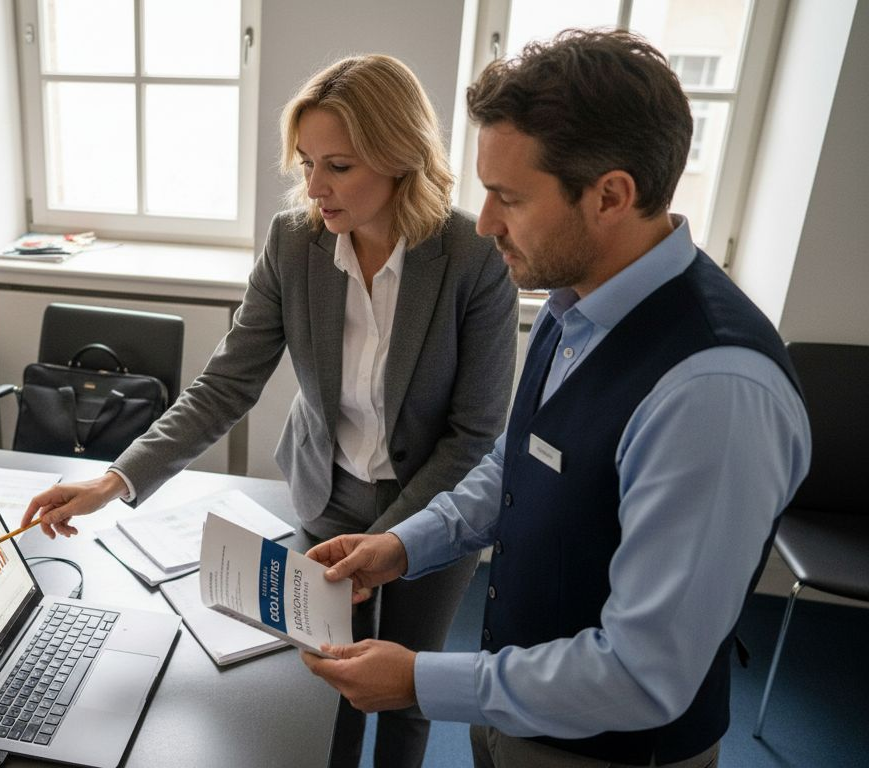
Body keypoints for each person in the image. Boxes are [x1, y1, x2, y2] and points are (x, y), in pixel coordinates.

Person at [300, 29, 812, 768]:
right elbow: (522, 460)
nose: (484, 222)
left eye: (508, 197)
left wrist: (419, 678)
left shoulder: (716, 395)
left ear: (610, 196)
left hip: (611, 752)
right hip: (516, 711)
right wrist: (403, 545)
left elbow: (643, 675)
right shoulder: (576, 300)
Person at [22, 54, 517, 767]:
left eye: (338, 166)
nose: (314, 187)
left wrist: (385, 548)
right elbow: (225, 385)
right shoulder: (295, 243)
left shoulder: (473, 258)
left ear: (400, 157)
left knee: (404, 688)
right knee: (329, 684)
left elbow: (472, 437)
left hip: (432, 512)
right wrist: (113, 481)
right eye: (307, 162)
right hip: (328, 494)